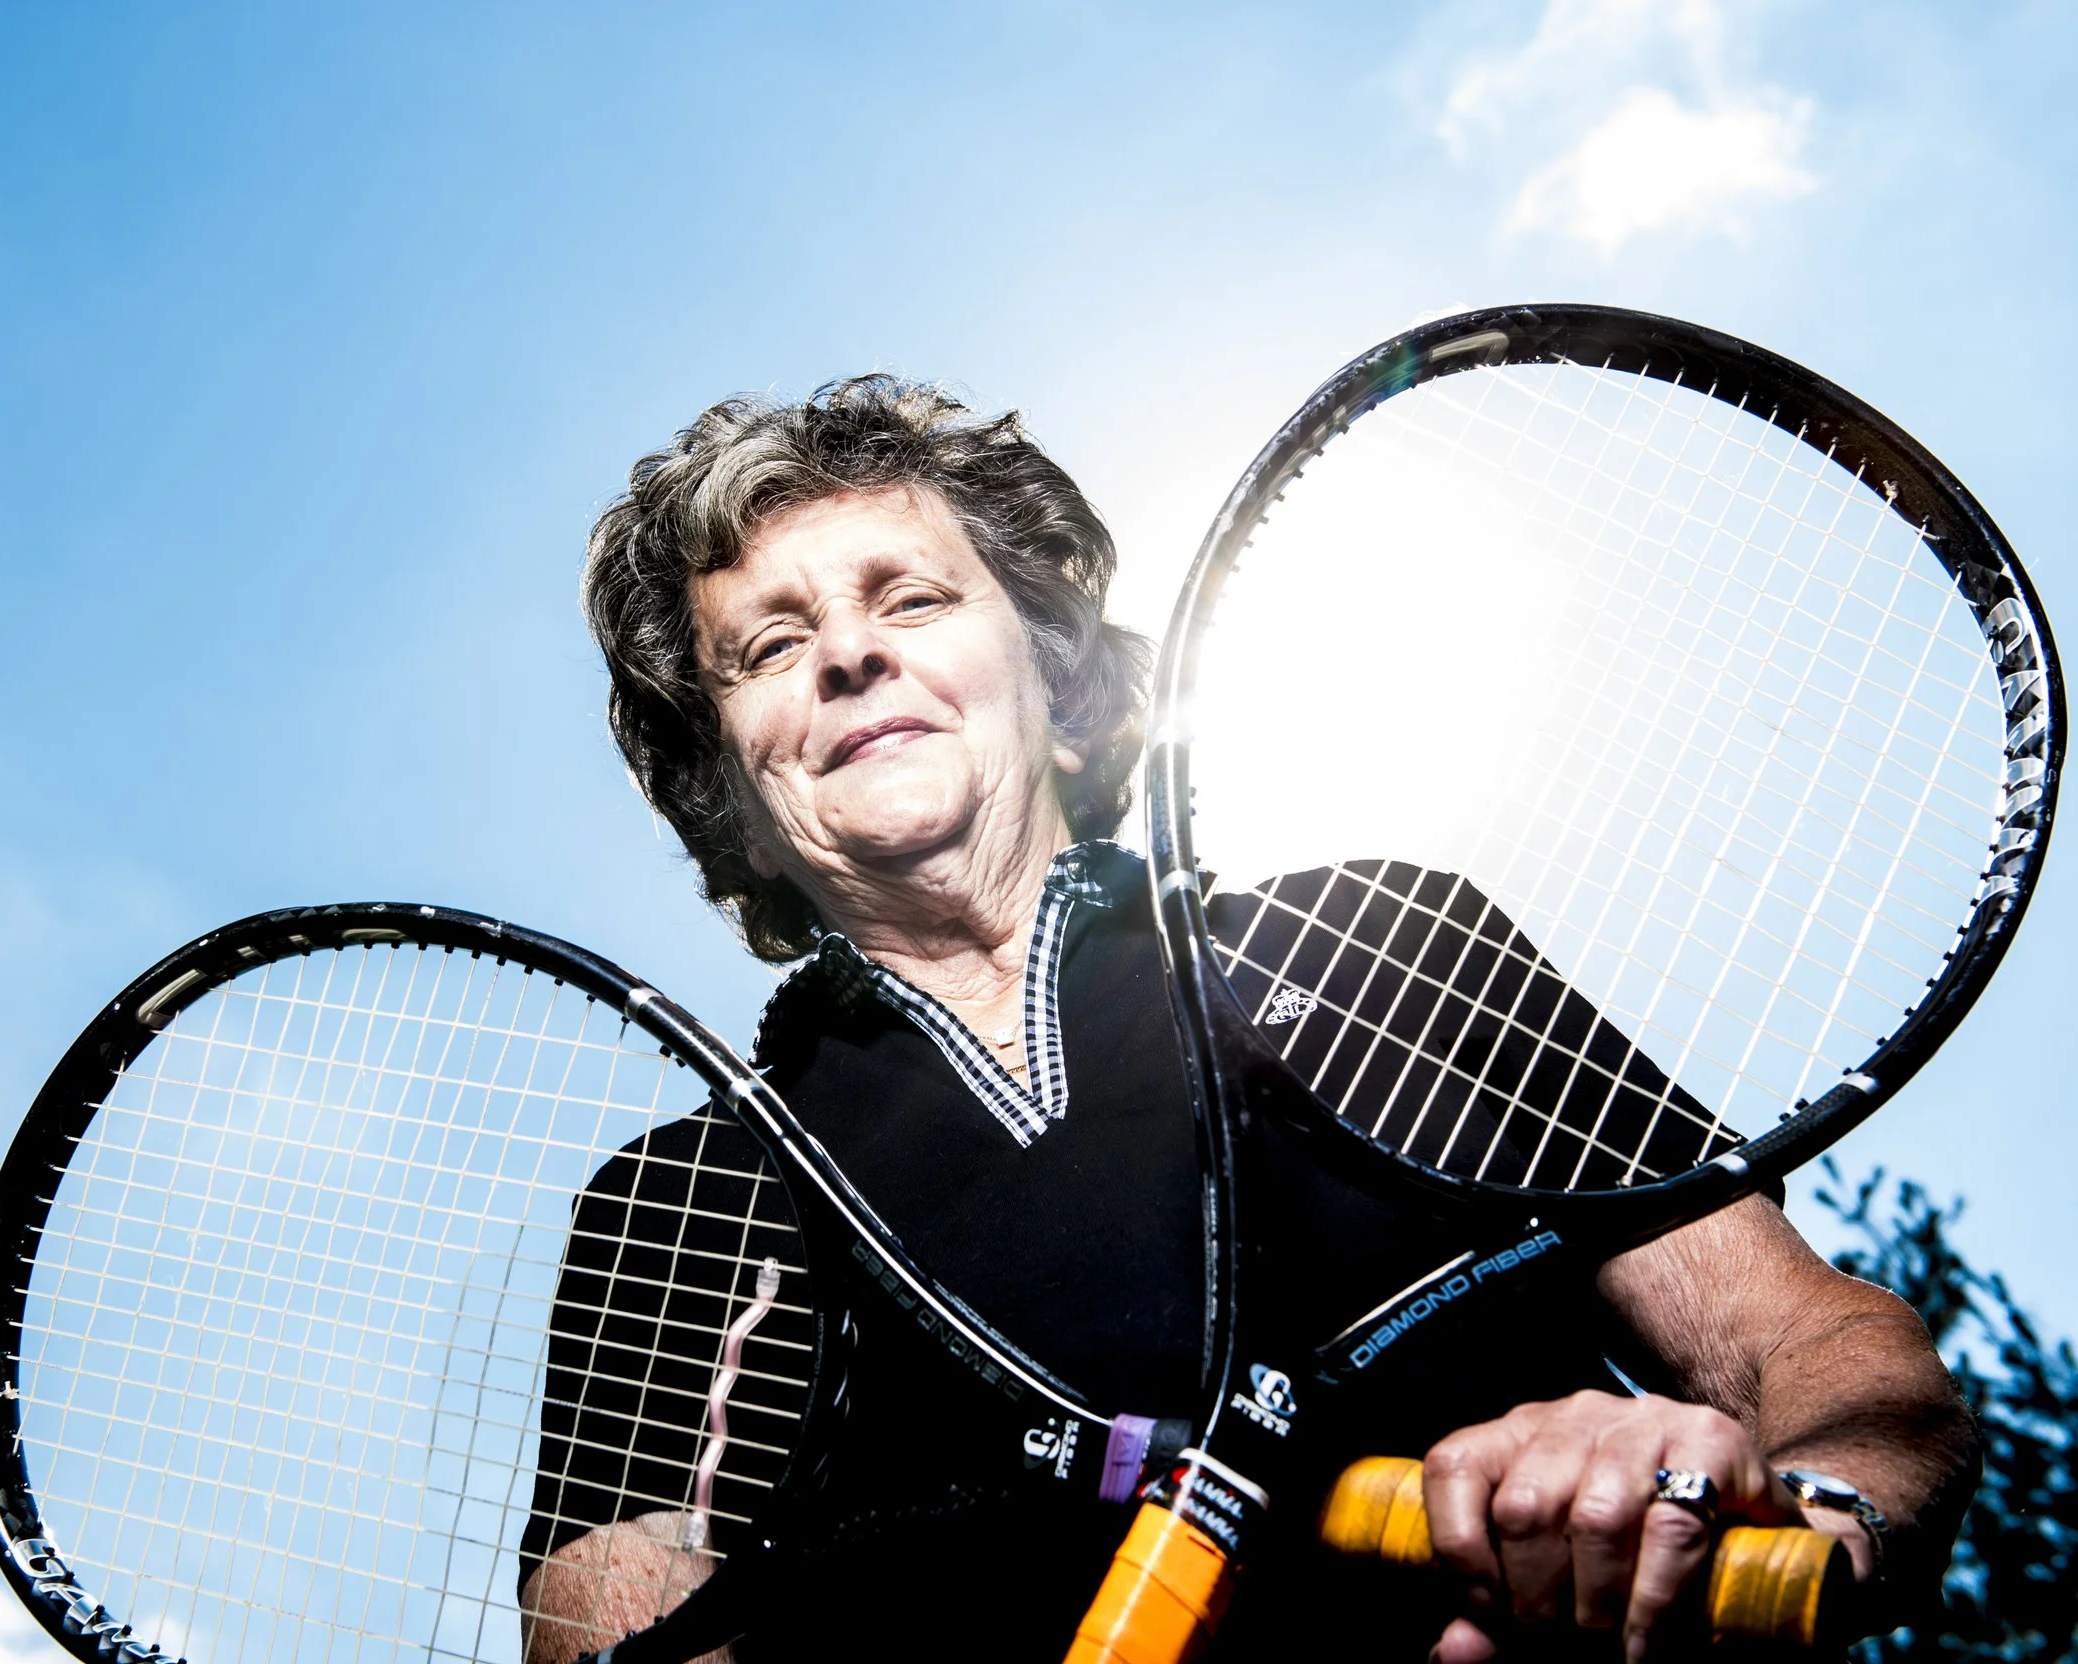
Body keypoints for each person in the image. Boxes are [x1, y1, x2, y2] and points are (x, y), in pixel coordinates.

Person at [521, 375, 1976, 1661]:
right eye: (769, 646)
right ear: (724, 780)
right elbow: (612, 1600)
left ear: (1055, 679)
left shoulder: (1385, 937)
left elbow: (1814, 1343)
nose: (848, 655)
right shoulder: (678, 1198)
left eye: (911, 598)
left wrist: (1804, 1519)